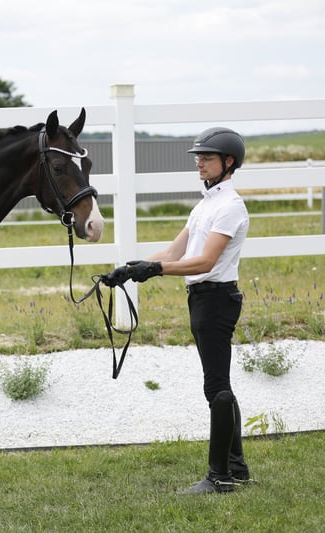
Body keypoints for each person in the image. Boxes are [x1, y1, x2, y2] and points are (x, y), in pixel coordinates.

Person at [103, 127, 252, 494]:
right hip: (202, 299)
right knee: (220, 384)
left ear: (228, 162)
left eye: (207, 157)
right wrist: (129, 269)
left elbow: (204, 261)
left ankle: (219, 477)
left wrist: (155, 270)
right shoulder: (205, 205)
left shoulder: (230, 207)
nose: (199, 163)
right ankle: (236, 468)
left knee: (215, 386)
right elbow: (173, 253)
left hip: (216, 299)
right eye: (198, 157)